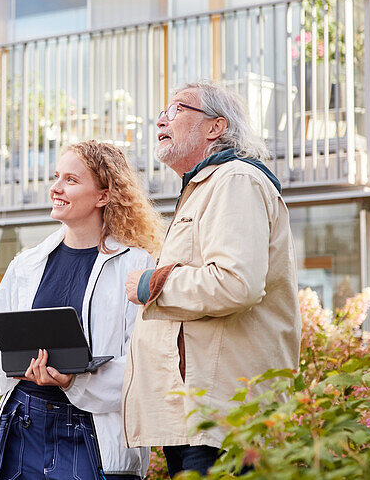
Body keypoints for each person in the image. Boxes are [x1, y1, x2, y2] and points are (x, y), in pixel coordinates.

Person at [122, 81, 301, 477]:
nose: (161, 118)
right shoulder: (207, 186)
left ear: (216, 127)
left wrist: (153, 284)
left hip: (224, 418)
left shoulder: (235, 180)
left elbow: (236, 283)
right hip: (197, 417)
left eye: (177, 108)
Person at [0, 141, 160, 480]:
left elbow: (143, 362)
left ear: (103, 195)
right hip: (23, 427)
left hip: (91, 434)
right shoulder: (26, 264)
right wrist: (17, 367)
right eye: (56, 177)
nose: (55, 188)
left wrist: (74, 380)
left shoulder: (135, 265)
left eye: (71, 180)